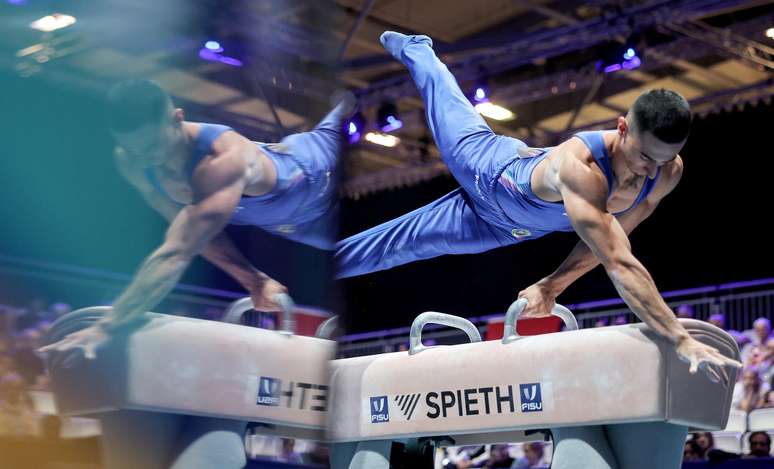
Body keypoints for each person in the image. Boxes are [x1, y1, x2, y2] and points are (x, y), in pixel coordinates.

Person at [336, 31, 741, 385]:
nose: (647, 169)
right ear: (621, 127)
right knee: (444, 98)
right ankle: (418, 50)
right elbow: (620, 264)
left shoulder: (667, 173)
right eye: (642, 155)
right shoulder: (582, 168)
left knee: (385, 254)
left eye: (661, 159)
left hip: (502, 228)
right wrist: (680, 338)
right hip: (490, 173)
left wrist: (551, 286)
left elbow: (609, 245)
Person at [40, 79, 351, 357]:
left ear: (177, 119)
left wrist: (109, 325)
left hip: (311, 170)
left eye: (151, 146)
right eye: (132, 149)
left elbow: (175, 254)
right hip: (295, 225)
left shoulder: (221, 160)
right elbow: (194, 234)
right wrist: (253, 279)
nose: (144, 157)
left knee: (341, 119)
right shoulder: (132, 162)